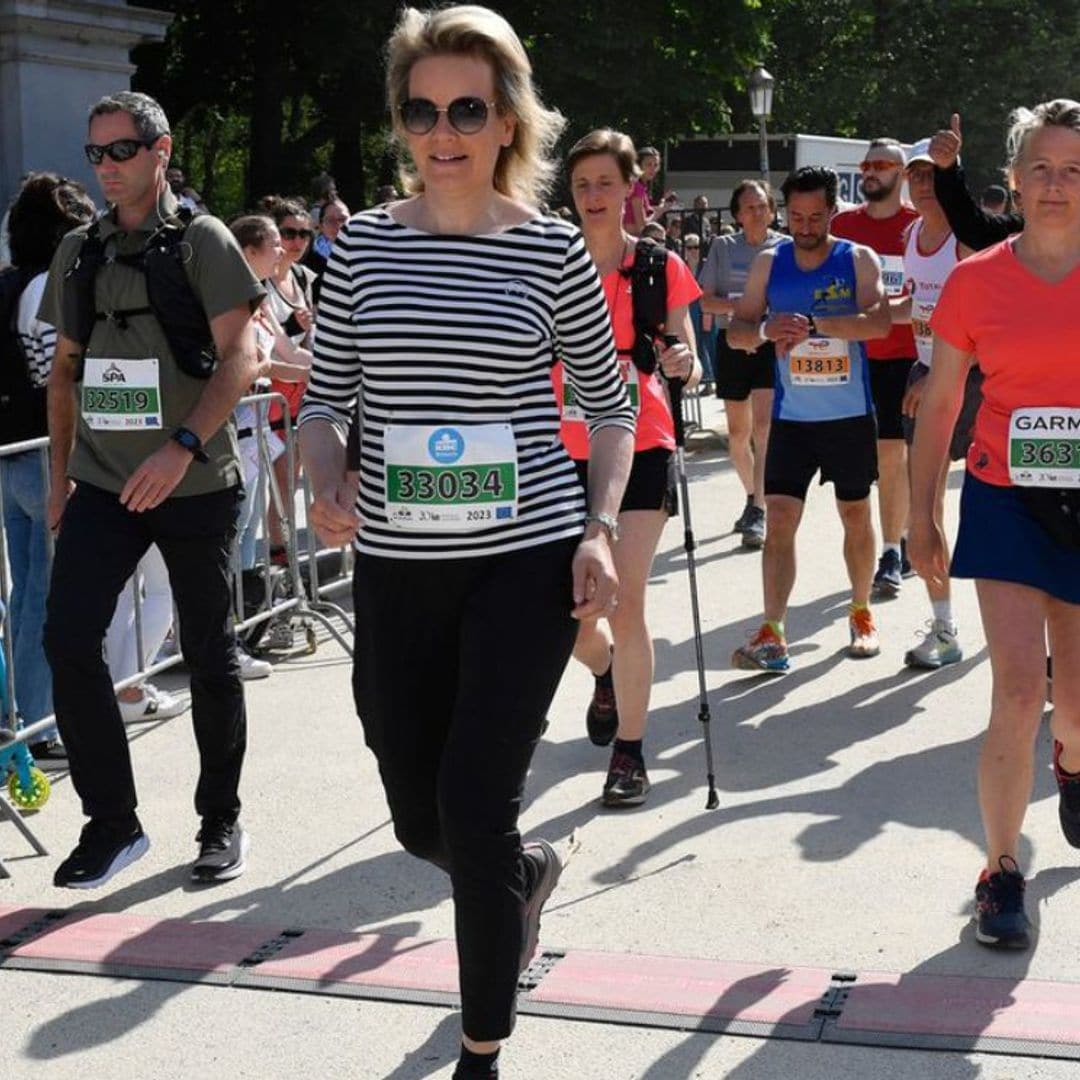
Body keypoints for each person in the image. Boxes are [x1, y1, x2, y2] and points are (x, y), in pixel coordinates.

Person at [298, 8, 634, 1078]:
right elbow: (323, 404)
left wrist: (596, 527)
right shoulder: (358, 251)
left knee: (474, 802)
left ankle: (483, 1049)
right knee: (419, 815)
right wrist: (324, 474)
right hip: (397, 568)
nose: (443, 131)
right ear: (402, 121)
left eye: (467, 109)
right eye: (422, 109)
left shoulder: (549, 251)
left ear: (506, 121)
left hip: (523, 562)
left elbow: (611, 404)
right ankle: (520, 873)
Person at [41, 90, 265, 889]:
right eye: (95, 153)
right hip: (102, 482)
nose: (106, 167)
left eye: (121, 151)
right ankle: (112, 824)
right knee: (68, 640)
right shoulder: (78, 250)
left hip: (195, 480)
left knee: (210, 655)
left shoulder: (202, 241)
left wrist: (179, 447)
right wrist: (60, 480)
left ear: (160, 150)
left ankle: (220, 819)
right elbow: (65, 373)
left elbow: (242, 358)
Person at [909, 99, 1080, 949]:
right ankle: (1002, 869)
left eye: (1074, 170)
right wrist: (921, 514)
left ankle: (1074, 761)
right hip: (1005, 494)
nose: (1056, 185)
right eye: (1041, 168)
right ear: (1013, 179)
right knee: (1018, 690)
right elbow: (940, 402)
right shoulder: (978, 280)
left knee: (1076, 708)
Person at [553, 128, 700, 806]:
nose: (592, 196)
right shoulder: (550, 263)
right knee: (576, 614)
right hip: (558, 451)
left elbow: (689, 355)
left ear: (628, 189)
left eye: (604, 183)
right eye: (581, 184)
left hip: (643, 444)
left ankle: (631, 751)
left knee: (628, 599)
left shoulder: (657, 267)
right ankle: (604, 670)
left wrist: (683, 363)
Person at [728, 166, 890, 671]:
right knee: (778, 518)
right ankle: (773, 632)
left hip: (848, 415)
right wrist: (764, 329)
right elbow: (736, 331)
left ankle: (861, 611)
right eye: (795, 216)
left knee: (855, 516)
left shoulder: (856, 259)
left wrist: (819, 323)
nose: (804, 226)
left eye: (815, 216)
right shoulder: (769, 263)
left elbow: (880, 322)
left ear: (832, 212)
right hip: (792, 418)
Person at [0, 173, 95, 759]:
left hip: (13, 456)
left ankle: (21, 716)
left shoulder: (9, 284)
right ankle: (40, 721)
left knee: (24, 595)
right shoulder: (45, 289)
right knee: (44, 597)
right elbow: (54, 378)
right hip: (44, 455)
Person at [891, 140, 973, 670]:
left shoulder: (967, 241)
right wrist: (859, 311)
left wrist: (944, 370)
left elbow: (990, 321)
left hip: (977, 377)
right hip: (926, 375)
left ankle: (1040, 626)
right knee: (927, 507)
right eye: (914, 177)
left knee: (1018, 500)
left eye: (931, 176)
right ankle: (944, 627)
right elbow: (915, 307)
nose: (922, 185)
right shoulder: (913, 235)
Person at [833, 139, 920, 598]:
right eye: (866, 165)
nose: (870, 172)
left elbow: (928, 293)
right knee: (860, 461)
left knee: (891, 454)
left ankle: (891, 549)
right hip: (849, 357)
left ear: (901, 174)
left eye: (881, 165)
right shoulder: (843, 226)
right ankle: (884, 540)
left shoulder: (919, 226)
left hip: (900, 358)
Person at [699, 179, 784, 549]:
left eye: (762, 206)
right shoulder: (722, 246)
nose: (757, 213)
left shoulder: (785, 248)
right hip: (731, 342)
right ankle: (754, 496)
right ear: (737, 214)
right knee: (738, 437)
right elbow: (705, 301)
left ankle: (760, 509)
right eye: (749, 207)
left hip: (769, 343)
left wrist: (763, 318)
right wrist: (744, 307)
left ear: (772, 210)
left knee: (763, 429)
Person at [302, 197, 349, 304]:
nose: (338, 225)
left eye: (342, 219)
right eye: (330, 220)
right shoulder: (309, 261)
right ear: (321, 226)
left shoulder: (365, 254)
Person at [623, 145, 659, 236]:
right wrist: (661, 210)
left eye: (655, 165)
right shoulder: (637, 187)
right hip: (630, 241)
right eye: (648, 164)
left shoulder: (635, 185)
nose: (653, 169)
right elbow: (642, 227)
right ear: (638, 166)